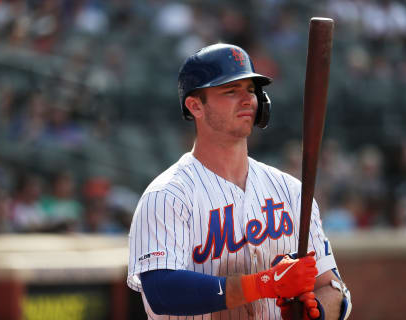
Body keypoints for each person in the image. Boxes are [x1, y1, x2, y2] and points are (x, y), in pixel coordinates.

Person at [127, 43, 352, 320]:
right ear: (195, 105)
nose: (247, 100)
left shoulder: (290, 191)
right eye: (231, 91)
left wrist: (315, 312)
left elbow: (332, 287)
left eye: (250, 90)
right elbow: (162, 292)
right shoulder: (167, 195)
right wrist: (264, 284)